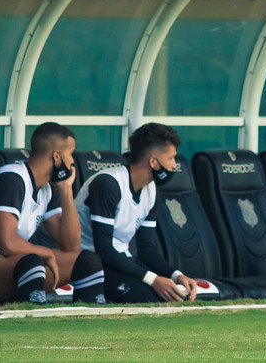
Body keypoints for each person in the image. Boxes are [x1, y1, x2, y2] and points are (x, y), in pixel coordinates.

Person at [0, 122, 105, 306]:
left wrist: (65, 189)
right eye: (70, 154)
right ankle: (30, 322)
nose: (72, 162)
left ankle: (87, 328)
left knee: (88, 261)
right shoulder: (12, 179)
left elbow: (71, 245)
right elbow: (6, 242)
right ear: (56, 156)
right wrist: (46, 253)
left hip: (6, 268)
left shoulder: (47, 188)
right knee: (32, 261)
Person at [75, 123, 199, 303]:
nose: (174, 165)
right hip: (89, 262)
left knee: (175, 293)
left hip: (120, 262)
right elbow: (104, 249)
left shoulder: (152, 191)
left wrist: (177, 276)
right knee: (153, 298)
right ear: (153, 161)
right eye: (171, 158)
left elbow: (147, 249)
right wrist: (153, 279)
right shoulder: (108, 184)